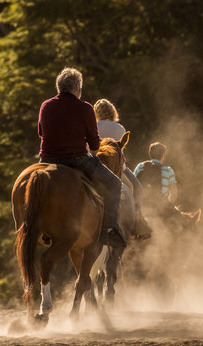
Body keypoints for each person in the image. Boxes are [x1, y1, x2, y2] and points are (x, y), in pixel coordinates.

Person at [37, 68, 126, 248]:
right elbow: (94, 145)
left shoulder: (45, 105)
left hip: (46, 160)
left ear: (59, 87)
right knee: (115, 184)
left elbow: (41, 132)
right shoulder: (85, 108)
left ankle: (37, 225)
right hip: (76, 159)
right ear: (77, 87)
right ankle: (108, 230)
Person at [93, 99, 152, 239]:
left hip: (94, 166)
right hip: (117, 168)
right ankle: (137, 221)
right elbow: (121, 155)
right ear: (112, 111)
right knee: (137, 187)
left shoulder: (92, 125)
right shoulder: (120, 128)